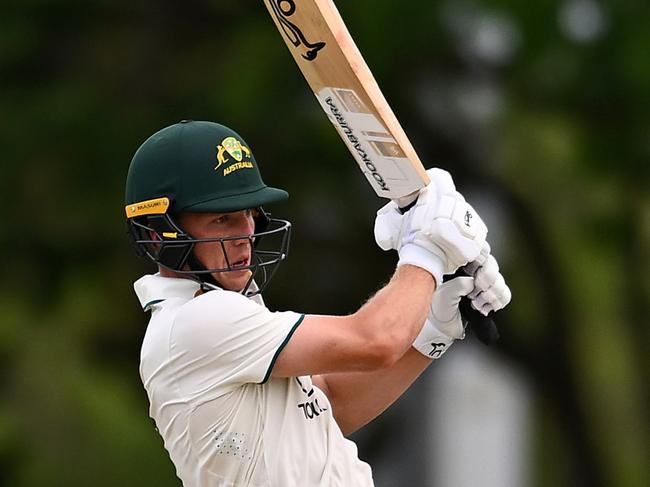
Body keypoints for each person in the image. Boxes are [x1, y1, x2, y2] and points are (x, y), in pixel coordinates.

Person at [124, 120, 511, 487]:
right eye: (223, 218)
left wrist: (433, 328)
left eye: (249, 214)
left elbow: (330, 403)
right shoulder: (195, 323)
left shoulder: (220, 318)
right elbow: (375, 340)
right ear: (161, 232)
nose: (246, 233)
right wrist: (427, 251)